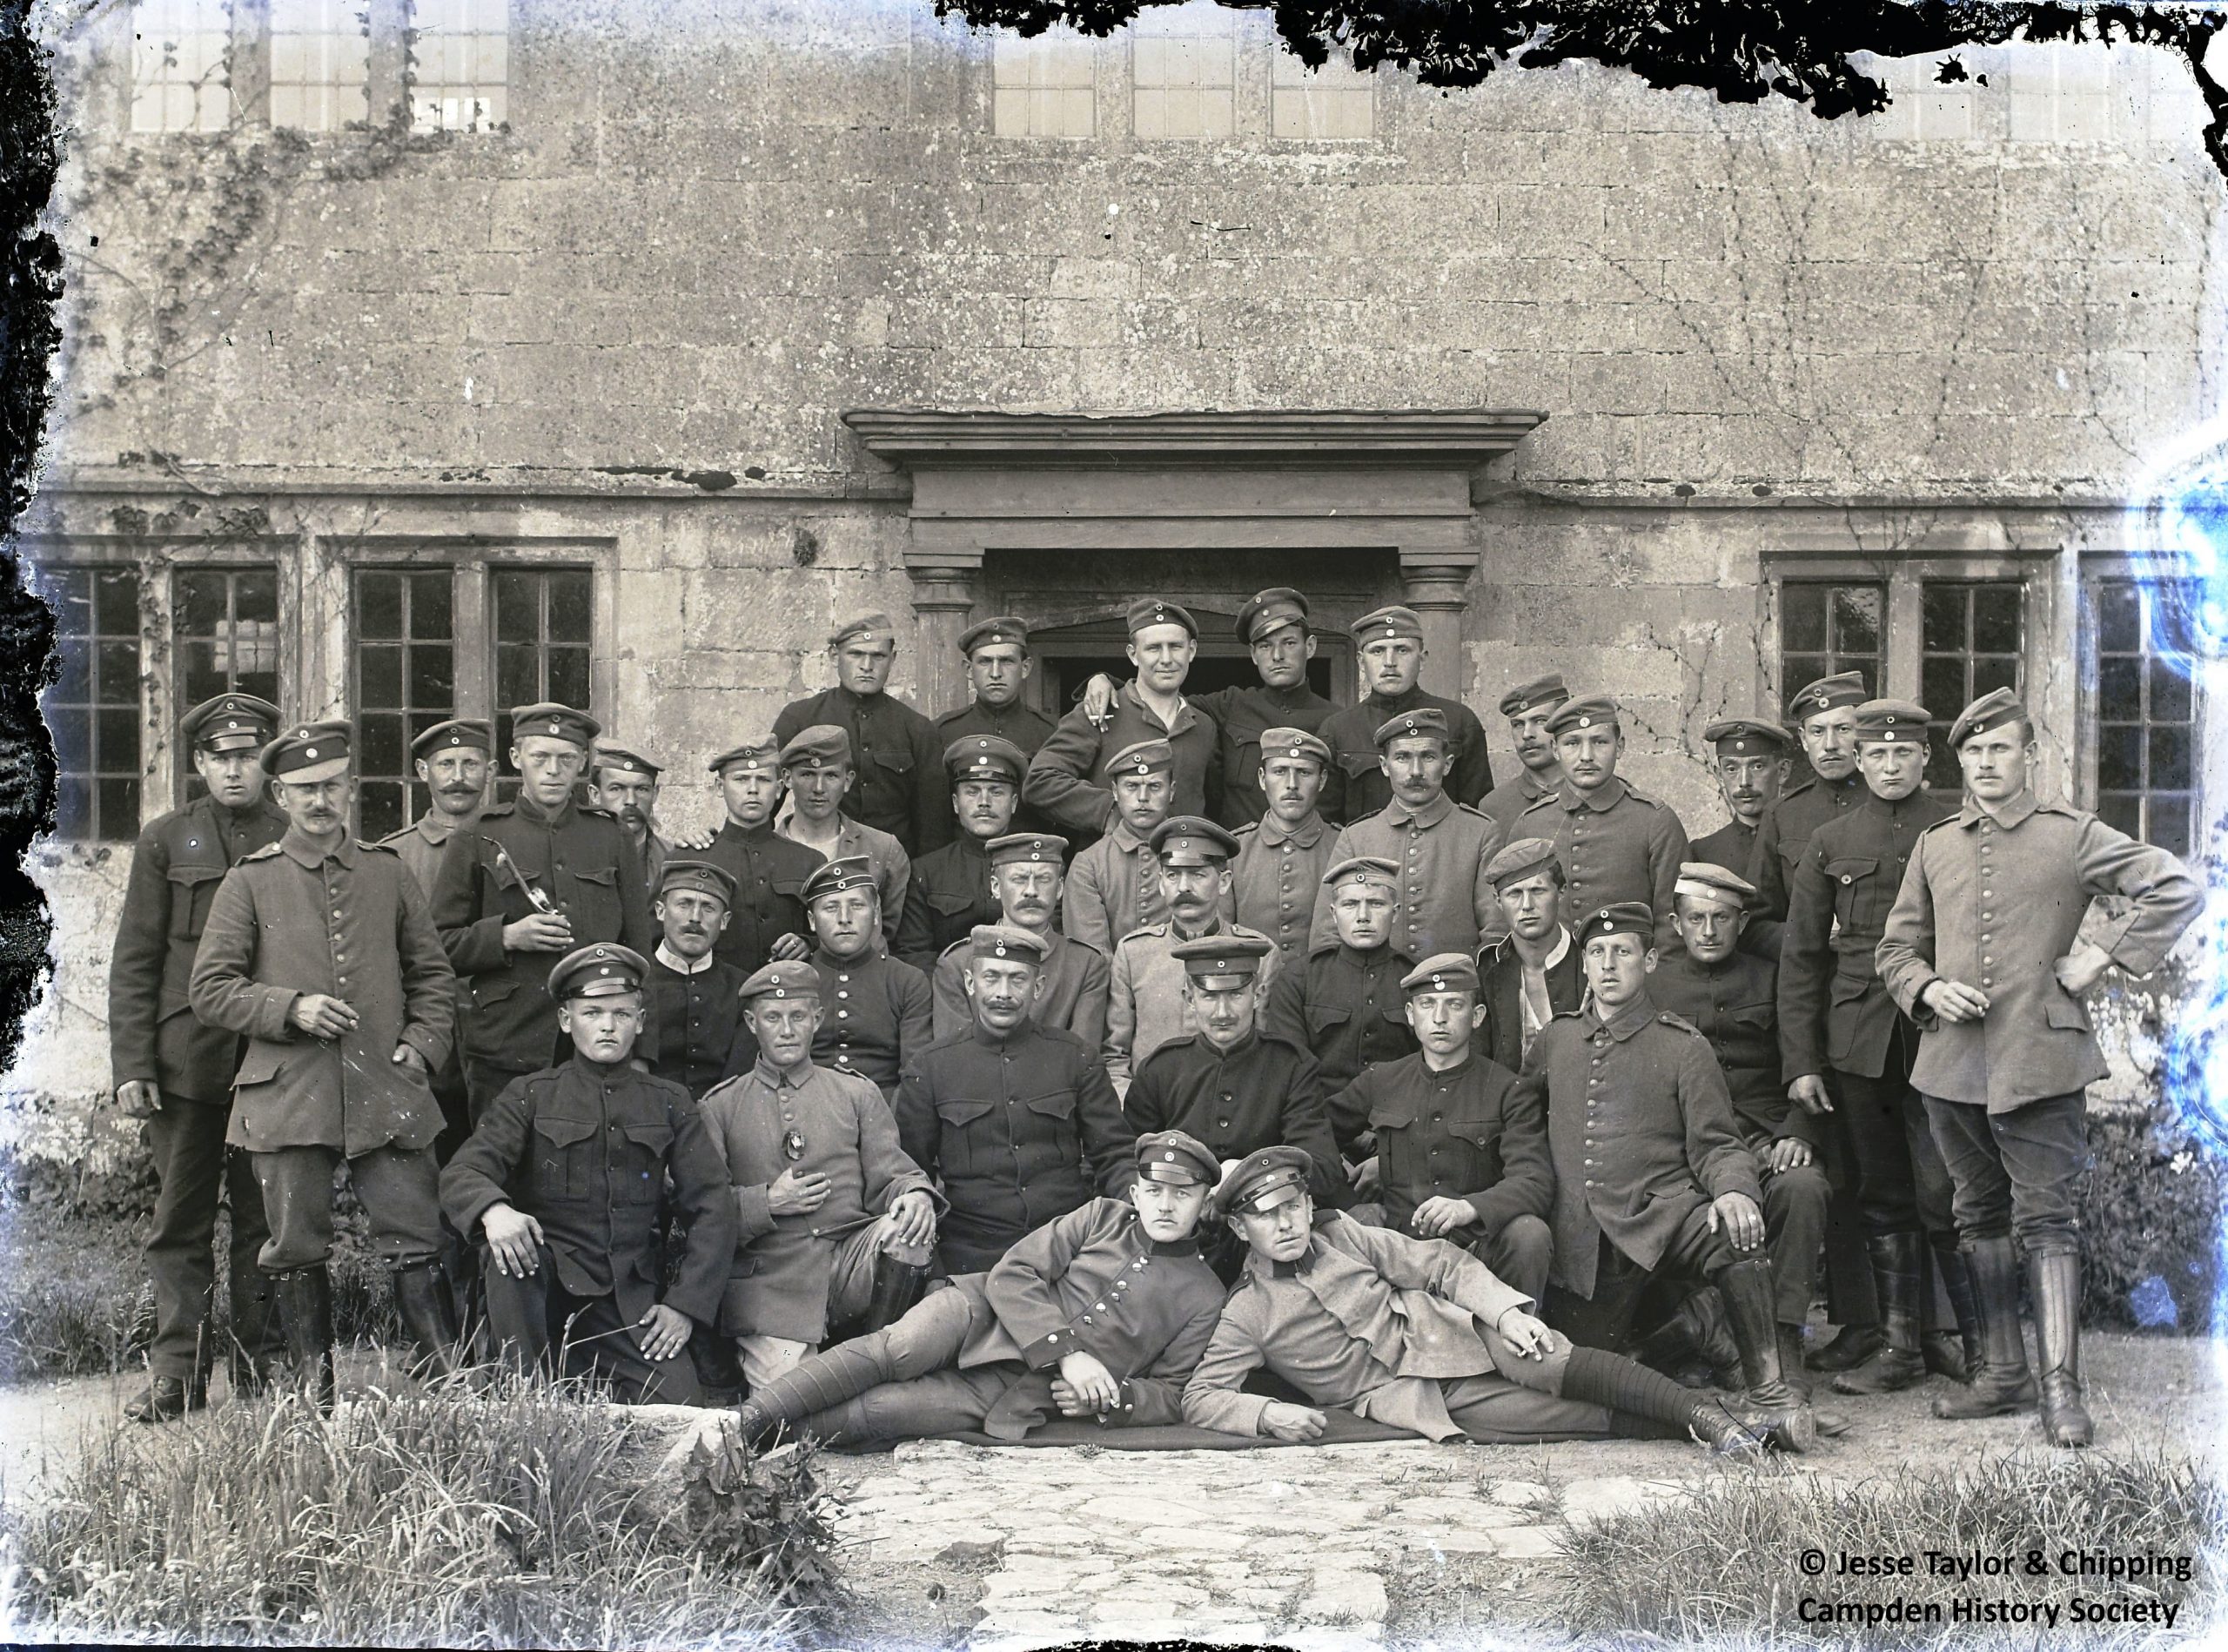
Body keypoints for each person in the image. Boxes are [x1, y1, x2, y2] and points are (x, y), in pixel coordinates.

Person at [1878, 687, 2205, 1448]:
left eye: (2001, 749)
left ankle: (2062, 1389)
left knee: (2048, 1220)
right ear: (1959, 761)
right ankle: (2001, 1373)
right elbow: (1894, 948)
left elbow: (2175, 887)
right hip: (1952, 1067)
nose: (1987, 764)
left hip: (2043, 1060)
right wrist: (1927, 986)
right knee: (1977, 1217)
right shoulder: (1936, 845)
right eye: (1974, 752)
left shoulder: (2071, 835)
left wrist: (2103, 955)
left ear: (2029, 756)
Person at [1180, 1146, 1809, 1453]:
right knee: (1567, 1422)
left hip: (1454, 1334)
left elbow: (1441, 1262)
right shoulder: (1247, 1311)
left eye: (1293, 1207)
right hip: (1416, 1399)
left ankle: (1712, 1419)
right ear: (1240, 1229)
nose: (1286, 1225)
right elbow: (1200, 1397)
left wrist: (1503, 1311)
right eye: (1266, 1217)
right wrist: (1266, 1417)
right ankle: (1734, 1432)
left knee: (1553, 1363)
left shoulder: (1345, 1234)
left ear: (1310, 1204)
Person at [188, 720, 460, 1412]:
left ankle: (448, 1383)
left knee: (417, 1236)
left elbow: (433, 975)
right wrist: (291, 1007)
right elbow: (210, 988)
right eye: (305, 788)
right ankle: (315, 1393)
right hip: (288, 1093)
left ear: (350, 789)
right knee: (295, 1245)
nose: (319, 800)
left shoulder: (386, 872)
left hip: (385, 1086)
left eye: (331, 785)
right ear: (280, 793)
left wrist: (422, 1046)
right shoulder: (249, 883)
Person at [1524, 900, 1815, 1440]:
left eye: (1623, 953)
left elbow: (1719, 1143)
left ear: (1651, 961)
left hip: (1663, 1214)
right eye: (1596, 953)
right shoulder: (1556, 1039)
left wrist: (1734, 1191)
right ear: (1583, 964)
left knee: (1735, 1235)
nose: (1608, 965)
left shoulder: (1682, 1045)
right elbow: (1520, 1119)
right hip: (1582, 1237)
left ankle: (1771, 1395)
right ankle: (1698, 1326)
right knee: (1602, 1363)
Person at [732, 1130, 1229, 1447]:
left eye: (1183, 1195)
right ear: (1136, 1193)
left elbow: (1173, 1392)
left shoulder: (1205, 1295)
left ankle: (761, 1442)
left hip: (1018, 1386)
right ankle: (744, 1420)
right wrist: (1069, 1353)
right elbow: (1013, 1273)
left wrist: (1110, 1400)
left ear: (1204, 1203)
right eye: (1156, 1192)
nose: (1167, 1206)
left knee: (890, 1409)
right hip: (981, 1313)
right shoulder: (1101, 1215)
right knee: (900, 1347)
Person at [1781, 699, 1976, 1397]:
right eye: (1878, 754)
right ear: (1859, 761)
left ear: (1927, 759)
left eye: (1904, 753)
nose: (1890, 766)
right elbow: (1801, 961)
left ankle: (1968, 1346)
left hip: (1946, 1031)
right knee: (1884, 1194)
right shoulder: (1832, 841)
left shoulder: (1958, 828)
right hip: (1860, 1039)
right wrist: (1802, 1062)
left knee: (1949, 1190)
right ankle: (1901, 1348)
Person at [440, 942, 734, 1405]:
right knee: (513, 1255)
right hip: (543, 1296)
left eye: (621, 1013)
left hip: (628, 1301)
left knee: (682, 1408)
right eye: (592, 1012)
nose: (607, 1026)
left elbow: (713, 1204)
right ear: (566, 1020)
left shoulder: (669, 1102)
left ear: (639, 1022)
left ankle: (582, 1380)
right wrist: (493, 1210)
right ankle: (525, 1396)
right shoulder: (531, 1095)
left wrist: (684, 1307)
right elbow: (464, 1171)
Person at [110, 692, 289, 1421]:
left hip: (271, 1065)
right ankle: (177, 1372)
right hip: (184, 1065)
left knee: (264, 1222)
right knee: (179, 1222)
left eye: (249, 756)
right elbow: (136, 959)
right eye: (222, 757)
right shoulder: (165, 841)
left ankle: (257, 1368)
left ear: (267, 761)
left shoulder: (293, 835)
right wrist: (132, 1066)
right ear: (200, 764)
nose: (236, 770)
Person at [695, 959, 940, 1391]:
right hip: (773, 1283)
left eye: (798, 1017)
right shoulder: (720, 1107)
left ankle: (876, 1356)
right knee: (791, 1405)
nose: (786, 1029)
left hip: (850, 1263)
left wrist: (916, 1194)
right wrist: (766, 1202)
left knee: (910, 1226)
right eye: (773, 1018)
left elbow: (895, 1174)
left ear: (817, 1020)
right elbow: (700, 1215)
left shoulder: (855, 1093)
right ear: (753, 1023)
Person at [1648, 863, 1832, 1400]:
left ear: (1742, 921)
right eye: (1697, 918)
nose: (1708, 931)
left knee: (1803, 1187)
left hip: (1770, 1134)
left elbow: (1813, 1059)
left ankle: (1786, 1339)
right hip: (1690, 1145)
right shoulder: (1655, 987)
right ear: (1677, 925)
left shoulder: (1773, 978)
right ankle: (1715, 1336)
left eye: (1722, 918)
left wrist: (1800, 1130)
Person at [431, 702, 655, 1121]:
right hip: (506, 1045)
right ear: (517, 760)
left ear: (583, 764)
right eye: (540, 758)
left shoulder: (610, 836)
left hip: (595, 1044)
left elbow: (639, 949)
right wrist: (505, 937)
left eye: (566, 759)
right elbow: (437, 946)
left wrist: (641, 1051)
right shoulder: (478, 836)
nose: (553, 770)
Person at [896, 926, 1135, 1273]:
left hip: (1066, 1248)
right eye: (991, 977)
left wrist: (1134, 1205)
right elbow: (910, 1170)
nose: (1003, 993)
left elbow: (1114, 1154)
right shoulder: (931, 1067)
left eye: (1018, 980)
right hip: (970, 1255)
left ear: (1037, 987)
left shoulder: (1075, 1057)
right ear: (970, 982)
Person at [1328, 953, 1554, 1302]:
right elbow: (1317, 1134)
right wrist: (1350, 1200)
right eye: (1426, 1004)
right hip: (1398, 1247)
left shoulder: (1507, 1090)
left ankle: (1517, 1344)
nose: (1439, 1018)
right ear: (1410, 1016)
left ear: (1477, 1016)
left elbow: (1534, 1180)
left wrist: (1471, 1207)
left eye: (1455, 1005)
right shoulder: (1383, 1080)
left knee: (1530, 1234)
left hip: (1476, 1247)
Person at [1124, 936, 1350, 1225]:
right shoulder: (1160, 1069)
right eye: (1209, 996)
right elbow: (1128, 1160)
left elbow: (1321, 1168)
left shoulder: (1292, 1066)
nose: (1223, 1013)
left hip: (1266, 1223)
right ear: (1189, 999)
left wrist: (1241, 1175)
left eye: (1236, 995)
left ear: (1258, 995)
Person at [1079, 588, 1338, 830]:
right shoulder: (1229, 705)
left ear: (1311, 646)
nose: (1277, 655)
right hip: (1240, 860)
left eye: (1289, 643)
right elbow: (1160, 699)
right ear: (1253, 654)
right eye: (1265, 646)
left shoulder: (1336, 720)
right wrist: (1105, 682)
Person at [376, 717, 494, 1158]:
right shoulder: (395, 854)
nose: (459, 777)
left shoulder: (509, 842)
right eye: (446, 764)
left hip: (496, 1026)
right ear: (424, 772)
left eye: (471, 763)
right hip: (425, 1027)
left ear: (492, 770)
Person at [1312, 707, 1503, 964]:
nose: (1415, 771)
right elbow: (1327, 935)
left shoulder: (1481, 833)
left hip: (1454, 995)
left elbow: (1496, 933)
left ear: (1447, 765)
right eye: (1402, 757)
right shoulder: (1356, 836)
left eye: (1428, 757)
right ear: (1384, 766)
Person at [1023, 597, 1219, 833]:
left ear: (1192, 651)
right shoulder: (1100, 711)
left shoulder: (1204, 726)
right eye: (1153, 648)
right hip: (1111, 865)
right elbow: (1040, 782)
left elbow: (1209, 805)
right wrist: (1110, 811)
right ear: (1133, 654)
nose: (1166, 659)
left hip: (1182, 864)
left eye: (1175, 646)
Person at [1105, 816, 1271, 1091]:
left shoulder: (1260, 953)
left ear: (1224, 882)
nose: (1183, 887)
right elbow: (1115, 1056)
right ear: (1160, 882)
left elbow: (1268, 1056)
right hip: (1148, 1113)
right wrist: (1133, 1111)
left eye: (1197, 874)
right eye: (1173, 874)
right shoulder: (1133, 953)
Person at [1511, 694, 1686, 952]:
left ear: (1620, 746)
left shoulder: (1656, 821)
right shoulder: (1529, 824)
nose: (1586, 756)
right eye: (1572, 743)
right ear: (1556, 750)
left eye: (1599, 742)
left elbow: (1670, 925)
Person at [775, 611, 950, 856]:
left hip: (892, 870)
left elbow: (934, 825)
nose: (867, 666)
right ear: (835, 656)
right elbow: (766, 796)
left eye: (878, 656)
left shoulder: (917, 728)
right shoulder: (800, 719)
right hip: (814, 863)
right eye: (856, 654)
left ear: (892, 659)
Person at [930, 831, 1111, 1048]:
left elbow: (1081, 1057)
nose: (1031, 891)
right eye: (1019, 879)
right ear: (996, 887)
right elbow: (952, 1057)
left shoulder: (1086, 965)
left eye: (1044, 879)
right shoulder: (957, 963)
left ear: (1060, 888)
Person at [1315, 605, 1493, 825]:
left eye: (1402, 650)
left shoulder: (1459, 722)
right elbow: (1327, 823)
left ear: (1423, 659)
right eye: (1378, 651)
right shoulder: (1337, 730)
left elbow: (1477, 813)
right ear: (1361, 661)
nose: (1390, 661)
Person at [1262, 855, 1417, 1096]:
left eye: (1376, 904)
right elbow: (1288, 1070)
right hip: (1321, 1122)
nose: (1363, 916)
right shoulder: (1299, 978)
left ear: (1395, 913)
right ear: (1334, 914)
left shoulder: (1416, 978)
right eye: (1350, 904)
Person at [1746, 671, 1871, 949]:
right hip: (1806, 980)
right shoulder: (1781, 815)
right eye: (1818, 731)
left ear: (1862, 733)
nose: (1830, 745)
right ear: (1803, 739)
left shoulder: (1887, 807)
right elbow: (1754, 923)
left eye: (1843, 729)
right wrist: (1807, 937)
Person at [794, 856, 932, 1102]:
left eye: (857, 905)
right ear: (812, 921)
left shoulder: (906, 981)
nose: (844, 917)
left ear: (876, 913)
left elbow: (915, 1073)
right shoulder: (795, 979)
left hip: (885, 1110)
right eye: (831, 907)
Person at [695, 735, 821, 976]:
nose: (753, 789)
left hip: (787, 1000)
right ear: (720, 787)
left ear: (779, 788)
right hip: (719, 1002)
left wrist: (808, 943)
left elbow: (826, 931)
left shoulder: (809, 861)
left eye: (763, 779)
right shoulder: (694, 857)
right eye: (741, 779)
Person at [775, 724, 910, 947]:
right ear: (788, 779)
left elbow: (888, 933)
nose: (819, 788)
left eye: (831, 775)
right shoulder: (768, 850)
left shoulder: (882, 848)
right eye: (807, 774)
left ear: (847, 781)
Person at [895, 735, 1021, 970]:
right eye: (972, 792)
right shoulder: (926, 872)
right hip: (946, 996)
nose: (984, 802)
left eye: (996, 792)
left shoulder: (1039, 868)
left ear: (1013, 803)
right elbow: (915, 956)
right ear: (955, 803)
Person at [929, 616, 1057, 834]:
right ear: (969, 670)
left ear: (1025, 668)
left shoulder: (1051, 732)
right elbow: (933, 811)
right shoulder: (941, 731)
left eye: (1007, 661)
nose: (995, 673)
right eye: (985, 662)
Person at [1228, 726, 1338, 964]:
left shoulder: (1344, 846)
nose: (1292, 784)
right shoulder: (1235, 851)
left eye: (1304, 773)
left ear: (1322, 780)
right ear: (1262, 779)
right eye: (1279, 771)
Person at [644, 858, 754, 1097]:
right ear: (661, 911)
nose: (695, 918)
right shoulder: (636, 981)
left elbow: (740, 1080)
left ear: (724, 921)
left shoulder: (742, 988)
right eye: (684, 904)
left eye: (708, 908)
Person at [1061, 737, 1178, 957]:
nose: (1143, 798)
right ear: (1115, 792)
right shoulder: (1089, 864)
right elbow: (1093, 957)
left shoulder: (1191, 855)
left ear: (1171, 792)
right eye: (1132, 786)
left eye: (1154, 786)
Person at [1475, 837, 1584, 1075]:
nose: (1527, 905)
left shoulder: (1589, 962)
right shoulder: (1486, 968)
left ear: (1562, 891)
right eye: (1514, 894)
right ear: (1498, 902)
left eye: (1537, 890)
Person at [1688, 719, 1794, 879]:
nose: (1744, 782)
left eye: (1757, 766)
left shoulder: (1804, 842)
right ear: (1720, 775)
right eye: (1731, 769)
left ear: (1782, 771)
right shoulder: (1703, 853)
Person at [1477, 673, 1568, 832]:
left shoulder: (1591, 791)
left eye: (1540, 721)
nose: (1526, 734)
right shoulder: (1493, 806)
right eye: (1518, 724)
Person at [589, 742, 669, 902]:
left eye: (641, 789)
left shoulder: (671, 859)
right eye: (617, 789)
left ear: (655, 793)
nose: (631, 801)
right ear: (595, 794)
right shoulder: (575, 855)